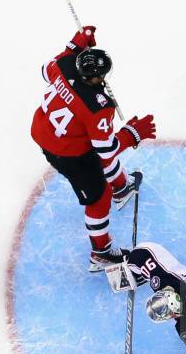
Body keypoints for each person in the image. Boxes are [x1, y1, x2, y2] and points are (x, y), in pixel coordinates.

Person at [31, 26, 156, 271]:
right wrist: (131, 135)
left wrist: (73, 48)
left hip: (45, 132)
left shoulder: (64, 65)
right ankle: (102, 252)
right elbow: (107, 150)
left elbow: (45, 71)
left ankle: (121, 186)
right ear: (96, 77)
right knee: (99, 198)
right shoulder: (97, 107)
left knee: (99, 158)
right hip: (68, 153)